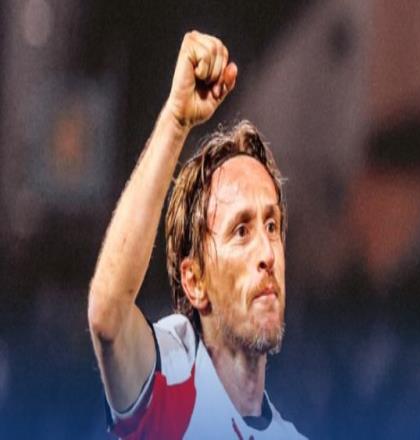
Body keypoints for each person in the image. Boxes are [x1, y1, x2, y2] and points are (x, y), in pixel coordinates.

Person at [88, 30, 306, 439]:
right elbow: (108, 316)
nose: (267, 253)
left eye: (272, 225)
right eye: (241, 230)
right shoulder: (174, 375)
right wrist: (175, 121)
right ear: (194, 281)